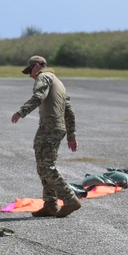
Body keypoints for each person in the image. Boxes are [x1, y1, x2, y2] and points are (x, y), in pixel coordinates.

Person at [11, 55, 82, 218]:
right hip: (56, 127)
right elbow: (69, 111)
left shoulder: (43, 77)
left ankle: (70, 199)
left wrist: (21, 112)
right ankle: (50, 204)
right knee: (44, 165)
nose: (30, 75)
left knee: (47, 166)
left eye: (30, 71)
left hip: (49, 127)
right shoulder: (58, 82)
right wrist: (71, 135)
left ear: (36, 66)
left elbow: (38, 97)